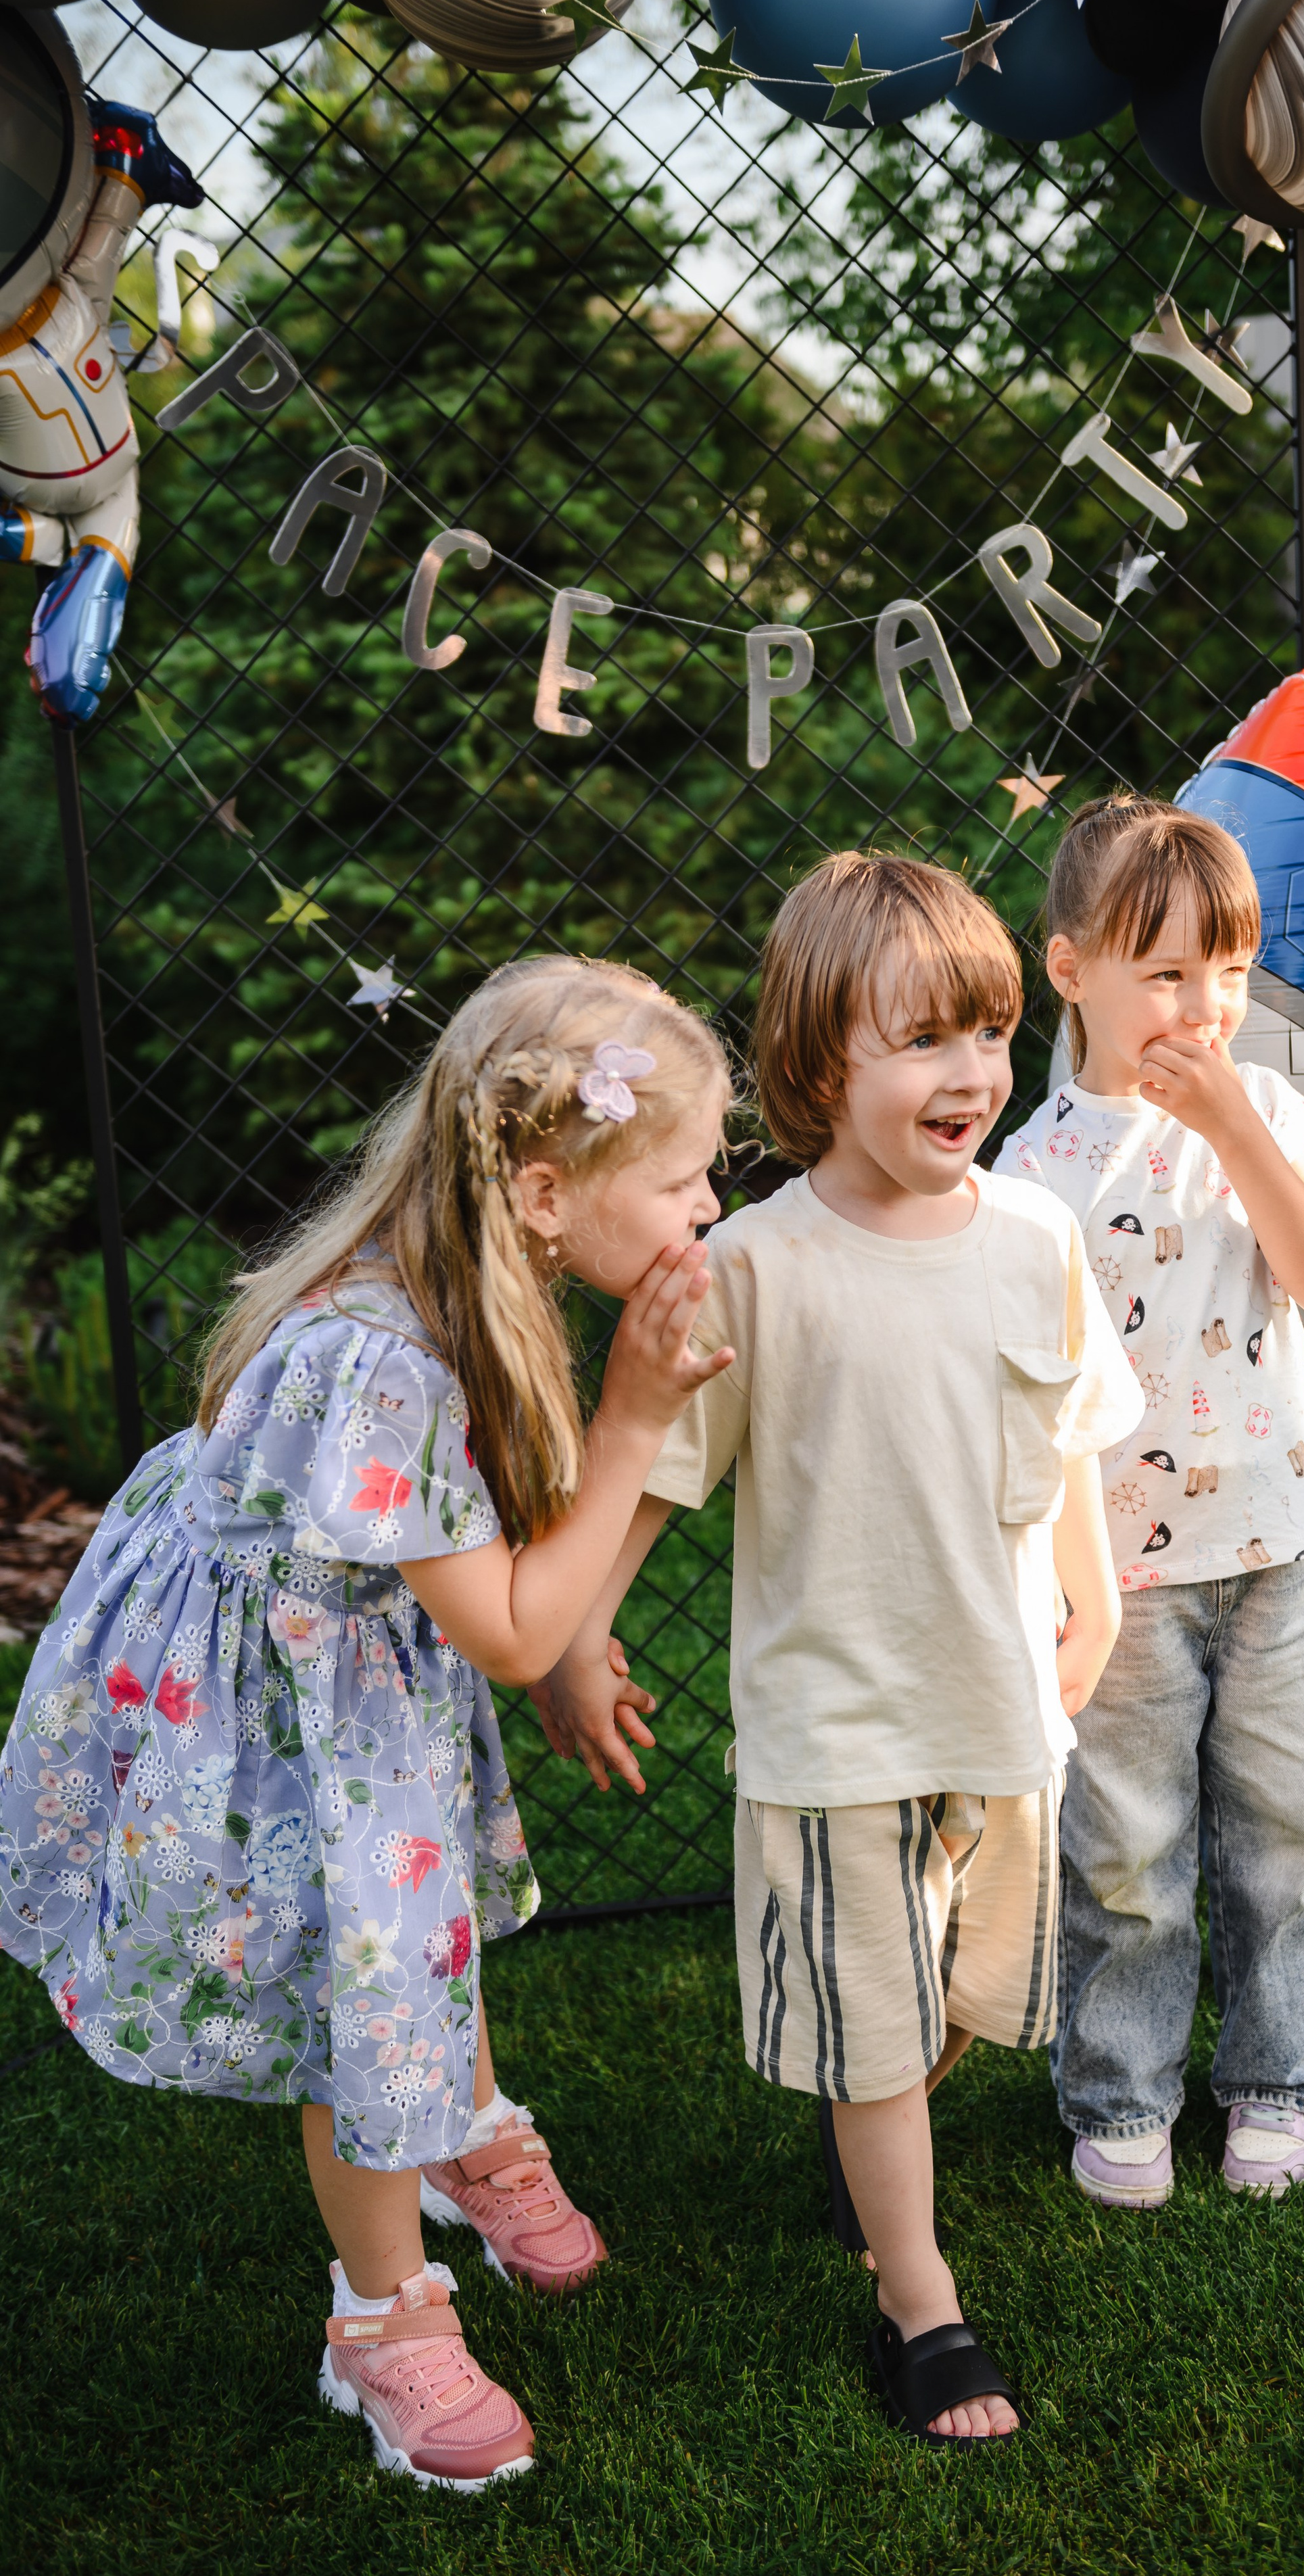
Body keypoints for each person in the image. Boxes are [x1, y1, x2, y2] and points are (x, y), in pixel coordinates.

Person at [0, 957, 734, 2491]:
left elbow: (502, 1560)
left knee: (426, 1924)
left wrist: (558, 1645)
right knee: (369, 1982)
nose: (709, 1204)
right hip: (277, 1705)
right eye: (682, 1176)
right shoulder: (378, 1362)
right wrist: (635, 1424)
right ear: (545, 1188)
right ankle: (380, 2317)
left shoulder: (466, 1261)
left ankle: (461, 2119)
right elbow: (514, 1612)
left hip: (348, 1660)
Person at [533, 855, 1142, 2448]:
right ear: (820, 1068)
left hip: (998, 1697)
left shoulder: (1033, 1235)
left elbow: (1069, 1426)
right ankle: (918, 2298)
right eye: (924, 1041)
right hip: (832, 1721)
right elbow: (658, 1463)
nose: (971, 1076)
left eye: (991, 1035)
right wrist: (574, 1635)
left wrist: (1094, 1592)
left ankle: (872, 2128)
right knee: (874, 2017)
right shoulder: (756, 1266)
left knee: (956, 1998)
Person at [996, 794, 1304, 2211]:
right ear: (1068, 967)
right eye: (1163, 971)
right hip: (1125, 1572)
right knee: (1129, 1850)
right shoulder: (1030, 1178)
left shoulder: (1260, 1106)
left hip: (1270, 1544)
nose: (1201, 1003)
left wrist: (1233, 1127)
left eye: (1225, 970)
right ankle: (1121, 2092)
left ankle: (1279, 2081)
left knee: (1284, 1827)